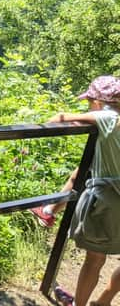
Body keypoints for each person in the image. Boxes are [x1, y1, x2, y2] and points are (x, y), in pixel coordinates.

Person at [29, 76, 120, 306]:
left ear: (98, 102)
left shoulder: (107, 117)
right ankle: (104, 300)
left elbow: (60, 118)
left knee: (95, 259)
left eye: (89, 102)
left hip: (111, 200)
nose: (88, 106)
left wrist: (42, 129)